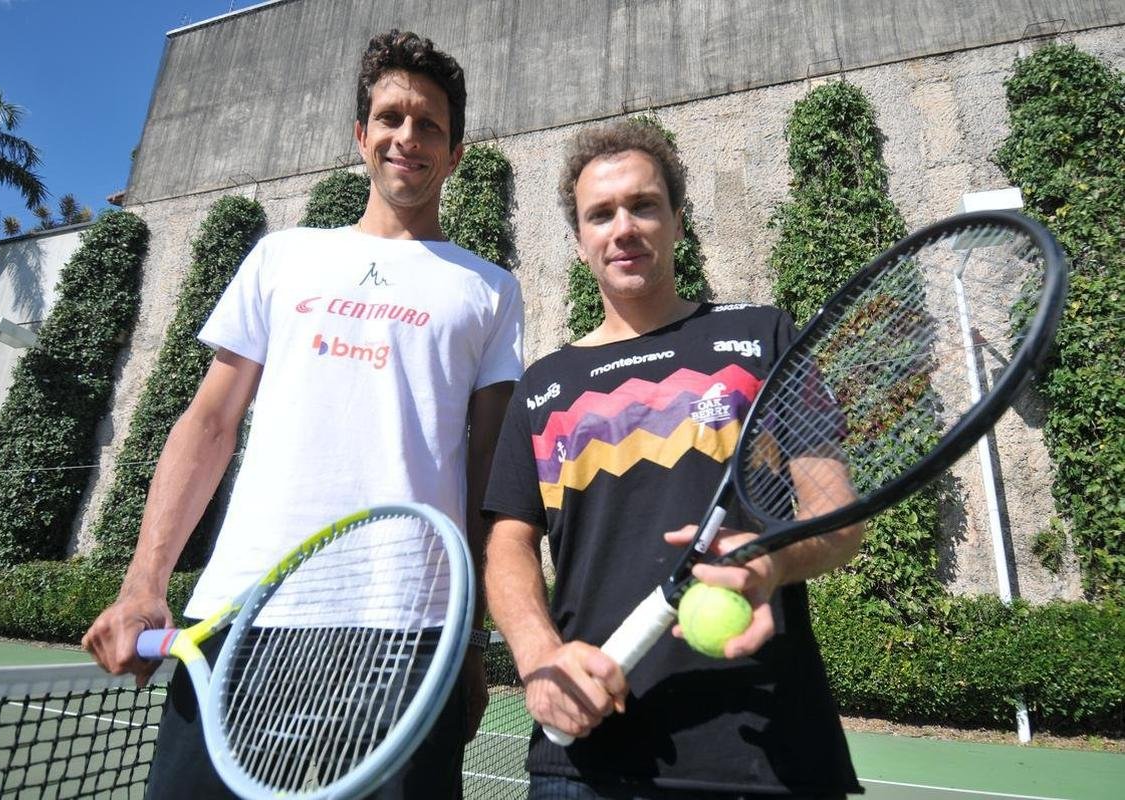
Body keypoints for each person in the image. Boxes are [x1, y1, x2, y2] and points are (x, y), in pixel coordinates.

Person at [83, 29, 524, 799]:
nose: (407, 138)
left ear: (454, 154)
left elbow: (489, 470)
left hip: (410, 630)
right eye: (390, 118)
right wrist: (141, 583)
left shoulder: (490, 289)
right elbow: (209, 424)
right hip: (243, 613)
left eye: (430, 126)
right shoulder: (281, 257)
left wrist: (475, 642)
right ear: (360, 136)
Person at [483, 121, 864, 799]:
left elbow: (835, 517)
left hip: (767, 752)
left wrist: (775, 559)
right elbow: (508, 543)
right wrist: (538, 659)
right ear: (578, 241)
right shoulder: (541, 388)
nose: (622, 227)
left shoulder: (761, 337)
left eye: (643, 205)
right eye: (600, 214)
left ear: (677, 222)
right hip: (585, 760)